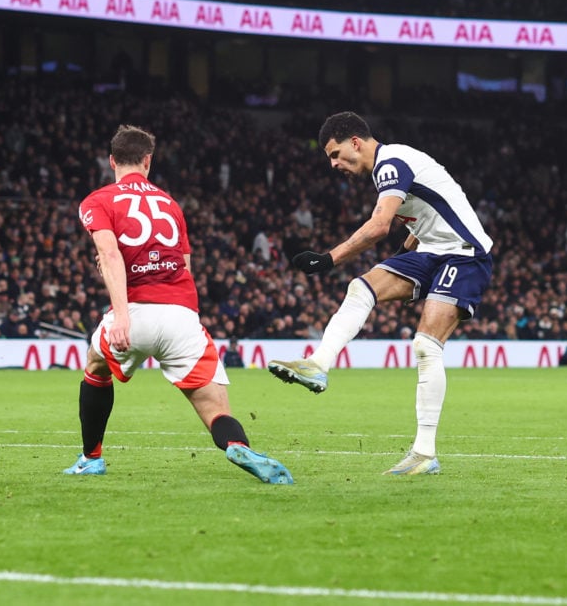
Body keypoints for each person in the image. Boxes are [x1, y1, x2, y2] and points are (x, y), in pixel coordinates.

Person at [267, 111, 494, 476]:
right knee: (363, 286)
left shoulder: (390, 163)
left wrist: (329, 258)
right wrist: (404, 260)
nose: (334, 164)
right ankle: (319, 364)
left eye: (336, 154)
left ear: (355, 142)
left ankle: (424, 453)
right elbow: (426, 215)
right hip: (433, 252)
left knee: (425, 345)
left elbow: (378, 227)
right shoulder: (391, 167)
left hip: (466, 254)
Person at [66, 124, 292, 484]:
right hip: (182, 317)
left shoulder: (98, 201)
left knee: (95, 365)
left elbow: (110, 255)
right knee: (215, 408)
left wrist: (121, 316)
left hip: (135, 313)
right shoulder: (170, 204)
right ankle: (237, 443)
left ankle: (91, 458)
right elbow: (184, 267)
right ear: (148, 161)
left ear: (111, 161)